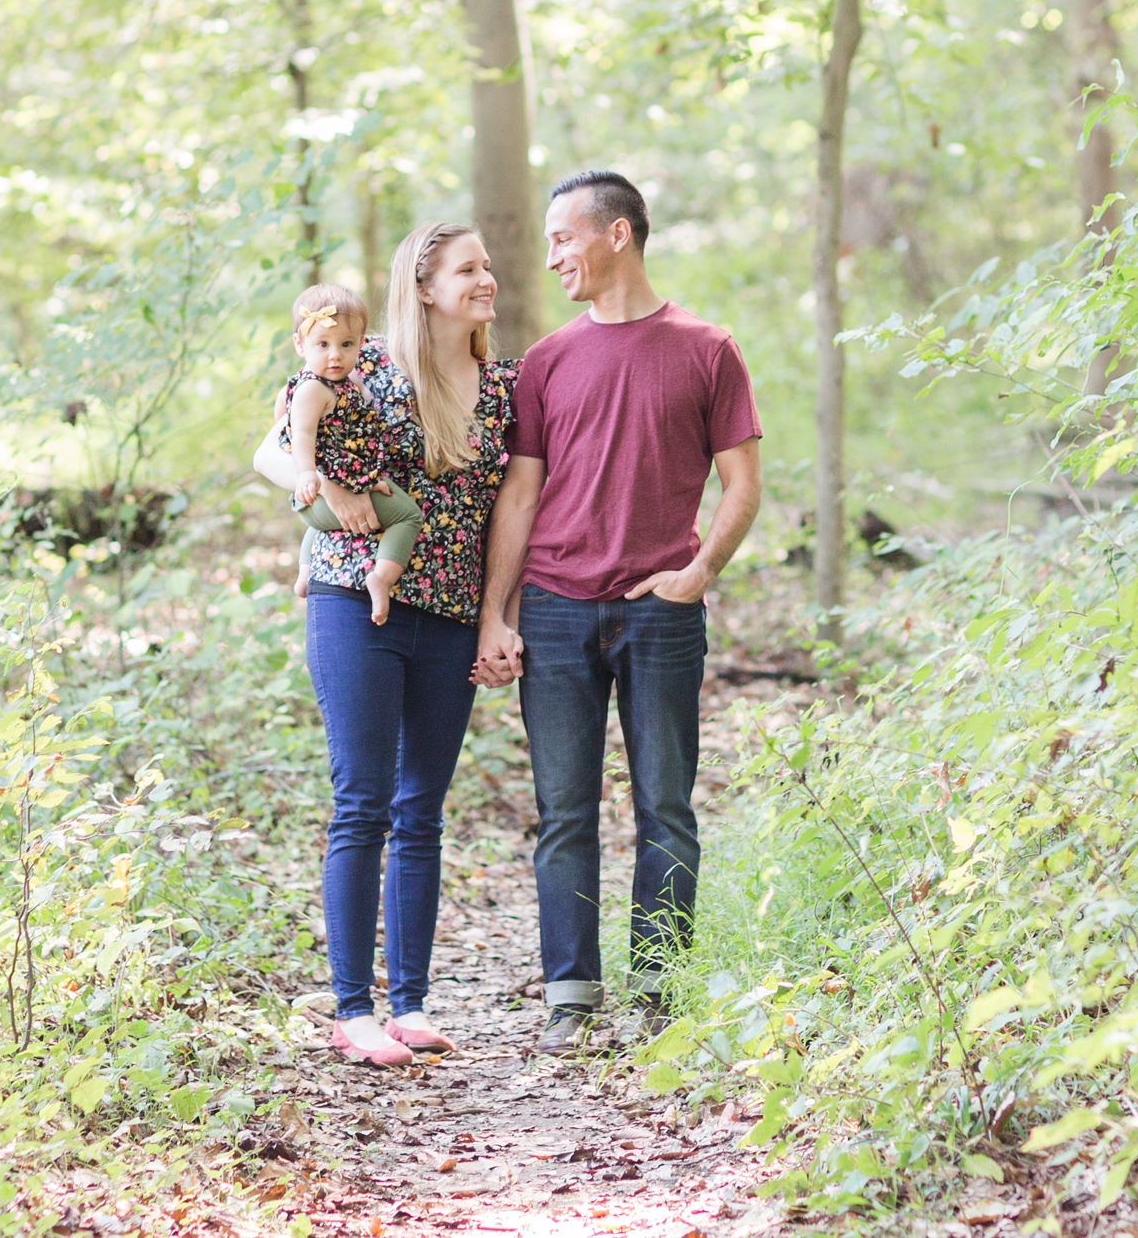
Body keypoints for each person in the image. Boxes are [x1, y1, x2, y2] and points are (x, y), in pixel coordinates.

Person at [473, 169, 762, 1054]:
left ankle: (662, 992)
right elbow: (518, 501)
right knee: (564, 812)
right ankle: (572, 995)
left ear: (617, 236)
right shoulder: (548, 362)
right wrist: (498, 615)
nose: (554, 254)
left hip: (659, 612)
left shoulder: (706, 349)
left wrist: (698, 572)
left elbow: (743, 486)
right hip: (557, 611)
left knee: (665, 806)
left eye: (565, 237)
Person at [254, 223, 518, 1070]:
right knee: (362, 801)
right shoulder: (358, 362)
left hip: (448, 612)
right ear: (425, 283)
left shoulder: (505, 387)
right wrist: (324, 482)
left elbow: (516, 508)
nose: (488, 278)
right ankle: (351, 1008)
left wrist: (495, 616)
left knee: (421, 812)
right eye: (470, 268)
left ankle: (409, 1002)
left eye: (486, 266)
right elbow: (272, 449)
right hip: (351, 601)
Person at [281, 282, 421, 626]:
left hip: (337, 487)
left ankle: (304, 573)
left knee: (322, 526)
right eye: (323, 345)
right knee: (407, 517)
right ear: (300, 344)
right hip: (319, 491)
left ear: (361, 343)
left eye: (346, 345)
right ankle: (381, 579)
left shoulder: (339, 383)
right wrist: (308, 475)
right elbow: (299, 434)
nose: (335, 355)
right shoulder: (313, 388)